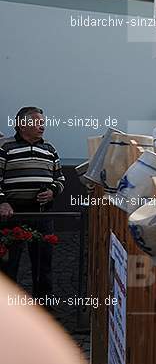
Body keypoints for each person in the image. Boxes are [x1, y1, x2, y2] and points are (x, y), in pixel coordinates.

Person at [0, 107, 65, 299]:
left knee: (43, 260)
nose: (42, 125)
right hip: (12, 213)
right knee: (9, 261)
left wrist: (52, 191)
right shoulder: (6, 148)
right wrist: (2, 202)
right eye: (37, 122)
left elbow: (60, 178)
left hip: (42, 213)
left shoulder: (49, 149)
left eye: (42, 122)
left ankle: (43, 301)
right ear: (21, 124)